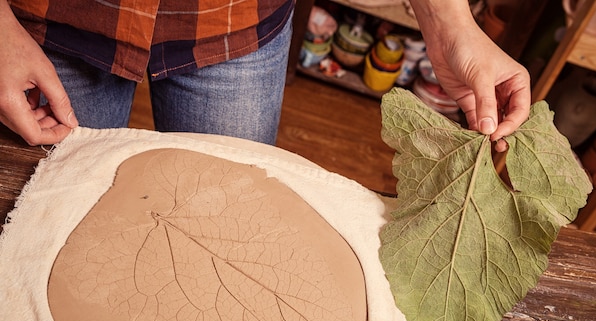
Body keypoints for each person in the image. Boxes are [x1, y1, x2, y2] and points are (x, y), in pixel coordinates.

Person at [0, 0, 530, 153]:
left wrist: (448, 21)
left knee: (227, 219)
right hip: (50, 20)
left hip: (235, 18)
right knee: (52, 229)